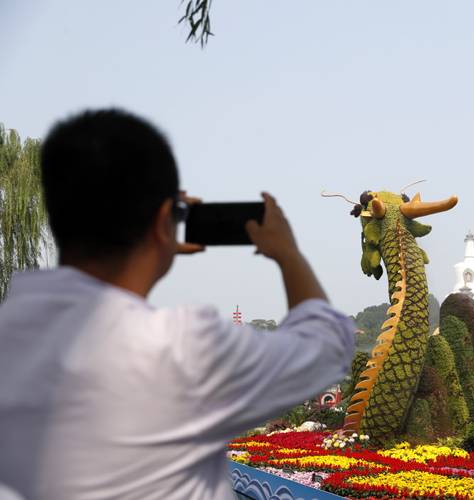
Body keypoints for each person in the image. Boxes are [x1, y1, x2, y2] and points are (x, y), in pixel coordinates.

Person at [0, 109, 355, 500]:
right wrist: (288, 253)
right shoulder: (181, 348)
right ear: (164, 219)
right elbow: (327, 346)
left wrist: (156, 235)